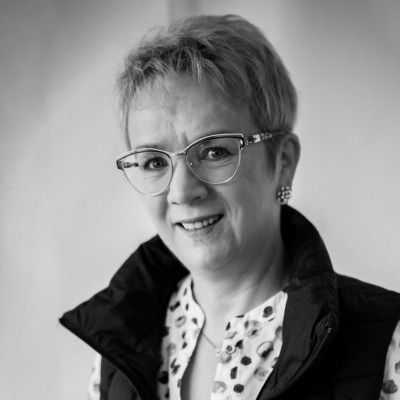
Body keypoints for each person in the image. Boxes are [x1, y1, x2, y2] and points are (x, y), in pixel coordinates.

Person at [59, 14, 400, 400]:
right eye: (154, 161)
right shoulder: (114, 355)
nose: (182, 191)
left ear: (283, 161)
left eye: (214, 152)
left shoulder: (387, 344)